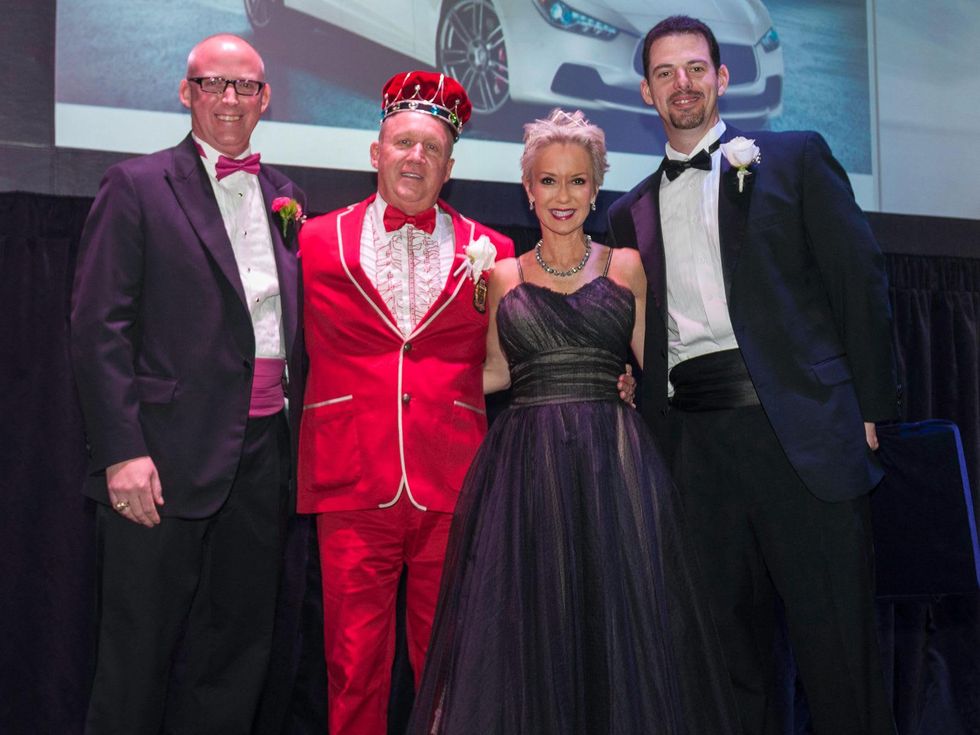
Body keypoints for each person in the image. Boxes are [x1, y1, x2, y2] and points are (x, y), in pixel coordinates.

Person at [607, 15, 899, 735]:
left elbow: (857, 279)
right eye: (667, 73)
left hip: (799, 432)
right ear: (646, 91)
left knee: (840, 656)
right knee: (725, 667)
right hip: (694, 453)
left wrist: (873, 405)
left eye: (697, 69)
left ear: (722, 78)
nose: (684, 84)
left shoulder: (794, 158)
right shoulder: (626, 211)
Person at [407, 108, 740, 734]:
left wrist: (642, 390)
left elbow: (657, 370)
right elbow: (497, 372)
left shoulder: (628, 267)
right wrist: (415, 382)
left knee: (616, 625)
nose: (564, 196)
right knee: (531, 629)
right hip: (525, 468)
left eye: (579, 181)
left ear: (597, 185)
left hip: (614, 469)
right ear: (528, 188)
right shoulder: (503, 276)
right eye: (550, 181)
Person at [70, 34, 305, 733]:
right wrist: (122, 450)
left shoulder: (286, 197)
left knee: (234, 660)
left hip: (264, 459)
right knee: (135, 660)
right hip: (162, 460)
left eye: (244, 86)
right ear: (186, 93)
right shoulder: (136, 184)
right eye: (213, 84)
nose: (229, 99)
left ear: (266, 98)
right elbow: (97, 326)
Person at [296, 71, 516, 735]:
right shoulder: (310, 241)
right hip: (350, 477)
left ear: (451, 166)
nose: (414, 157)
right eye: (402, 143)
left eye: (431, 148)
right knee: (353, 664)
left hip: (452, 479)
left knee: (449, 661)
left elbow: (511, 359)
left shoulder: (496, 252)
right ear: (375, 152)